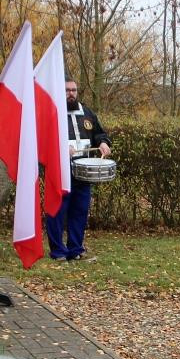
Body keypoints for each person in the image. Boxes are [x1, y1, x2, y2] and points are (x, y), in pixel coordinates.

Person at [45, 78, 111, 261]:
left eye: (74, 90)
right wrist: (60, 148)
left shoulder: (87, 112)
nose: (71, 93)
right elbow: (43, 140)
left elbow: (99, 133)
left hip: (84, 172)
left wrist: (104, 143)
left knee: (79, 210)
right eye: (67, 90)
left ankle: (75, 249)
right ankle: (58, 251)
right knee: (58, 211)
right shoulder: (53, 113)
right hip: (61, 171)